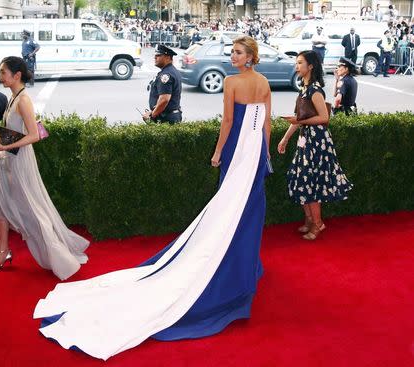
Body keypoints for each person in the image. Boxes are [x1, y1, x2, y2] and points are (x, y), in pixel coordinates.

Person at [33, 36, 272, 361]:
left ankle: (235, 263)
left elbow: (229, 121)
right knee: (246, 209)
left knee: (229, 207)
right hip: (255, 149)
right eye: (233, 52)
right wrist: (265, 154)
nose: (233, 56)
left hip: (237, 149)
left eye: (238, 52)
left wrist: (218, 152)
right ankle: (245, 264)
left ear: (250, 56)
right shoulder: (263, 83)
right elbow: (266, 122)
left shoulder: (232, 82)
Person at [0, 56, 89, 279]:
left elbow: (34, 135)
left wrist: (5, 145)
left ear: (17, 75)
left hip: (19, 161)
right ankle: (3, 252)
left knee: (33, 209)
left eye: (3, 72)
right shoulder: (13, 98)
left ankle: (59, 255)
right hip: (8, 159)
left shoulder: (23, 100)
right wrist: (1, 144)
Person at [277, 50, 352, 240]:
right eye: (296, 63)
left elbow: (324, 118)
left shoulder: (315, 89)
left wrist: (299, 122)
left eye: (300, 63)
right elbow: (299, 119)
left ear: (310, 66)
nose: (297, 66)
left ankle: (317, 224)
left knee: (310, 182)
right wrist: (285, 138)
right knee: (301, 179)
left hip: (317, 142)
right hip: (306, 141)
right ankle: (310, 220)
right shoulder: (304, 87)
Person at [143, 44, 182, 124]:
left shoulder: (166, 75)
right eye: (155, 55)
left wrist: (152, 115)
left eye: (158, 55)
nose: (155, 57)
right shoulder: (172, 71)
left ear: (167, 57)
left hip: (166, 119)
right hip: (169, 116)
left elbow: (164, 99)